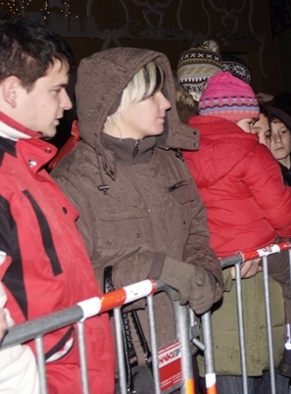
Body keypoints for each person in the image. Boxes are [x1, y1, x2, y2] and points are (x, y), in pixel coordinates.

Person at [51, 47, 224, 392]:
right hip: (122, 366)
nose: (167, 103)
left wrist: (205, 272)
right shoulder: (71, 180)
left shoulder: (170, 163)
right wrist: (154, 268)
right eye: (153, 94)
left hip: (181, 344)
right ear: (116, 101)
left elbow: (196, 234)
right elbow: (70, 284)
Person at [181, 71, 291, 391]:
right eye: (250, 123)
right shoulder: (252, 152)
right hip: (257, 249)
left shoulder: (182, 154)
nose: (255, 131)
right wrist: (285, 230)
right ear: (236, 119)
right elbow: (281, 211)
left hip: (213, 257)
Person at [0, 15, 114, 393]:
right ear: (13, 91)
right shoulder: (5, 176)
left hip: (76, 374)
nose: (67, 103)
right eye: (57, 90)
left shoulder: (29, 164)